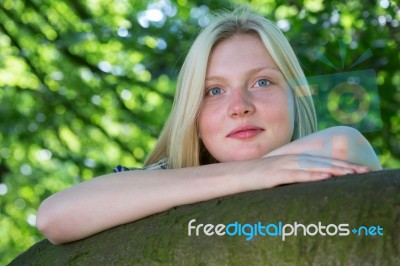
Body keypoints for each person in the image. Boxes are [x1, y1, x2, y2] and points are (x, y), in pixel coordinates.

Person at [36, 6, 381, 244]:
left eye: (262, 82)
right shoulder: (162, 178)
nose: (239, 107)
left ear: (296, 96)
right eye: (214, 90)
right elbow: (54, 217)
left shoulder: (334, 146)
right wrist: (250, 175)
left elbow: (343, 145)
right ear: (193, 114)